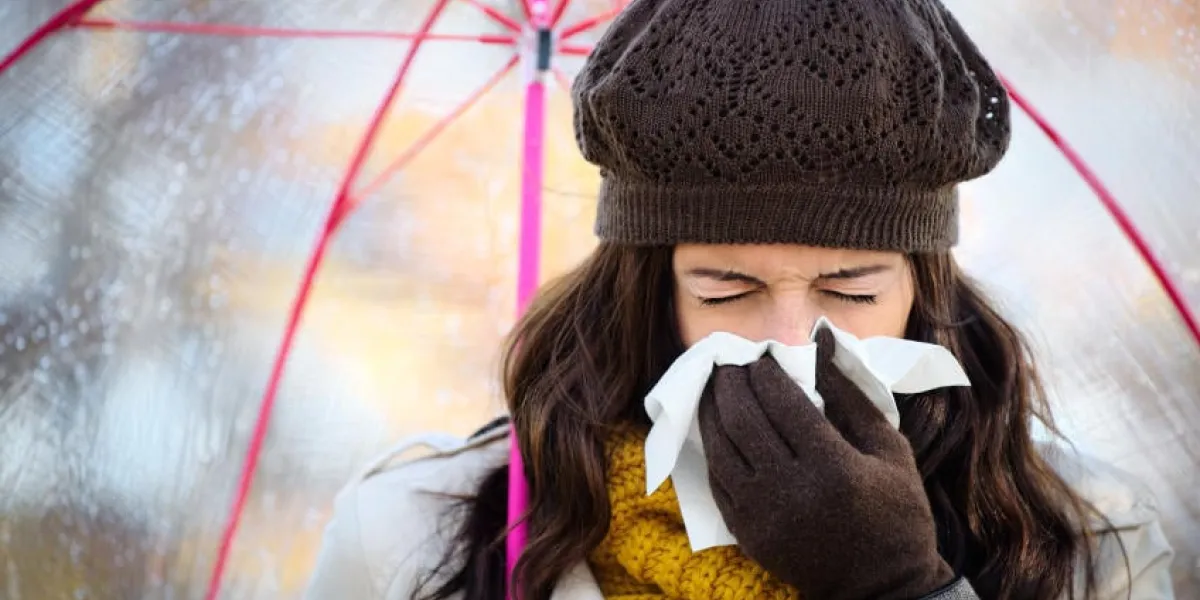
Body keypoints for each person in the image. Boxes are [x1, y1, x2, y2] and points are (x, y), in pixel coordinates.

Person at [303, 0, 1176, 598]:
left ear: (924, 288)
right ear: (648, 292)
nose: (791, 341)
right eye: (728, 288)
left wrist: (903, 586)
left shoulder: (1089, 543)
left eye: (851, 288)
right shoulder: (420, 536)